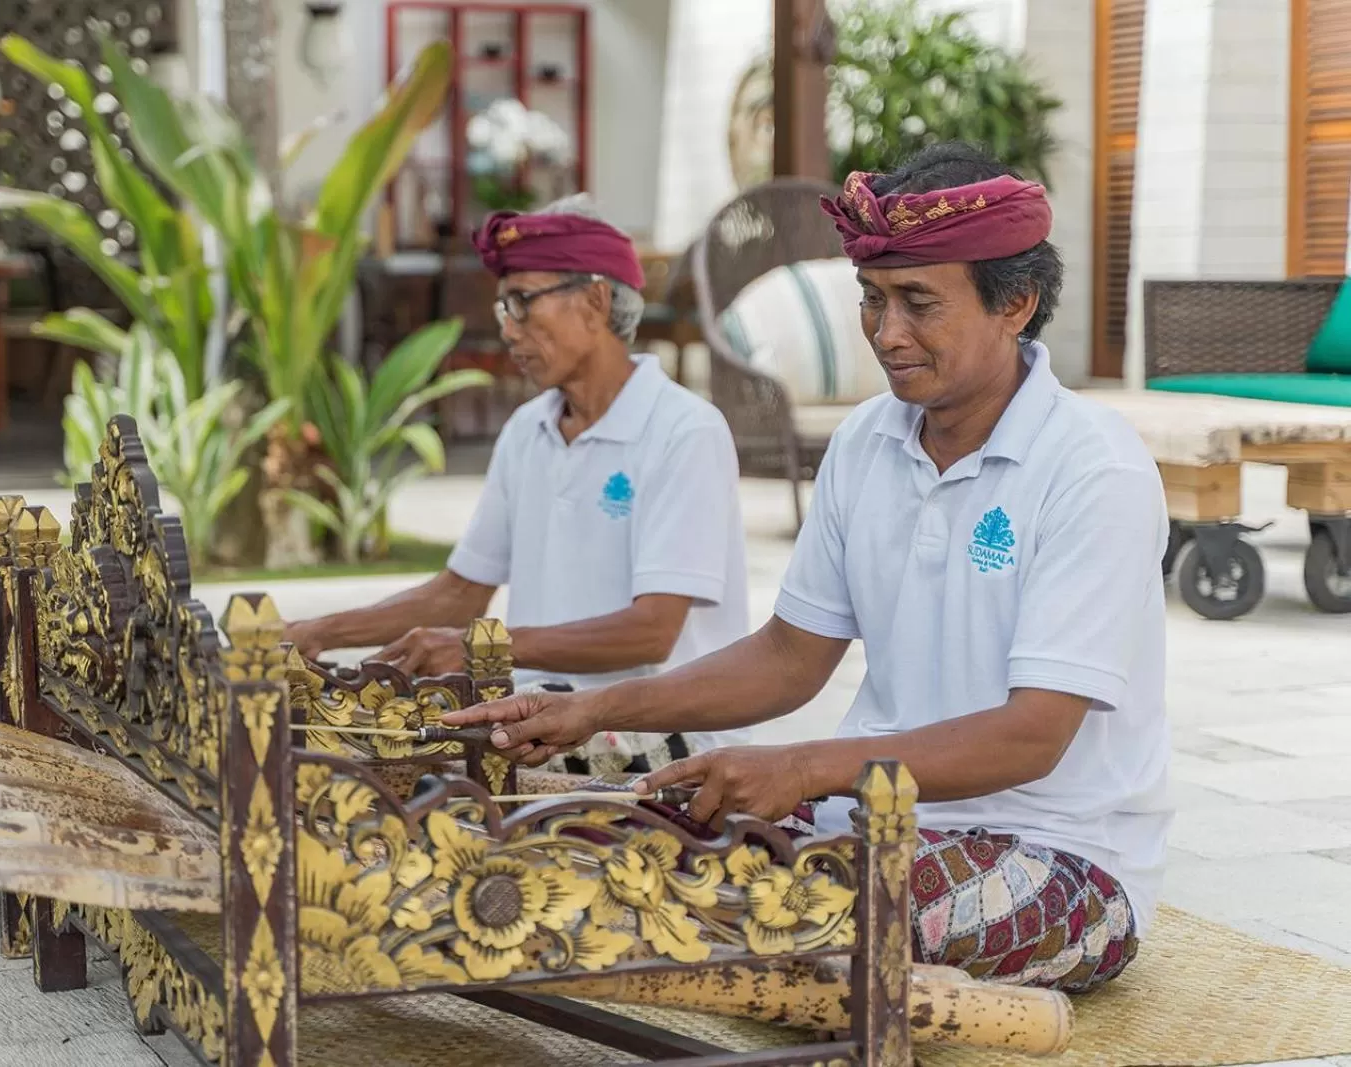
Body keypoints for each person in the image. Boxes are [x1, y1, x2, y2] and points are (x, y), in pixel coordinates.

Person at [442, 143, 1172, 993]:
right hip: (865, 815)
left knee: (791, 901)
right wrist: (589, 708)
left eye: (918, 303)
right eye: (871, 300)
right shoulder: (868, 441)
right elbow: (789, 656)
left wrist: (805, 765)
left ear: (1017, 303)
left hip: (1063, 856)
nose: (886, 333)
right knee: (609, 835)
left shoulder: (1093, 469)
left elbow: (1032, 734)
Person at [283, 196, 753, 775]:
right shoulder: (527, 429)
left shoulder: (684, 430)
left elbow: (653, 631)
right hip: (545, 716)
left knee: (406, 775)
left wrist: (486, 647)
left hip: (662, 734)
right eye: (504, 307)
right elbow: (460, 594)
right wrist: (317, 633)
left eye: (522, 302)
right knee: (338, 739)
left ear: (595, 301)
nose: (508, 329)